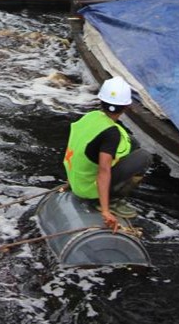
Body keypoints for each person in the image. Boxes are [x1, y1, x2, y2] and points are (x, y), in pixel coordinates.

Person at [62, 76, 152, 231]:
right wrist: (105, 210)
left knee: (133, 143)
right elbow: (104, 171)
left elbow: (76, 147)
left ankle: (89, 188)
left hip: (76, 178)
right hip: (88, 189)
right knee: (144, 156)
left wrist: (70, 181)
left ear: (101, 101)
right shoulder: (111, 133)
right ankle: (112, 198)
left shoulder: (91, 117)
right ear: (126, 106)